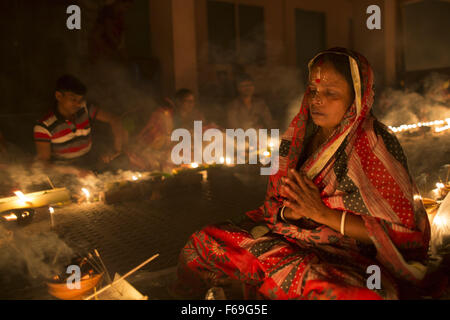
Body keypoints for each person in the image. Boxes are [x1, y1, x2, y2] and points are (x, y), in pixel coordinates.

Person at [171, 48, 431, 300]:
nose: (317, 100)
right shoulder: (298, 136)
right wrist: (289, 213)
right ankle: (251, 288)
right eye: (314, 90)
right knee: (203, 240)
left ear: (357, 97)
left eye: (330, 93)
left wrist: (322, 214)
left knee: (352, 295)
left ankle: (245, 288)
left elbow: (402, 232)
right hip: (288, 236)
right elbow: (273, 205)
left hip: (344, 254)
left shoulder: (374, 143)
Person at [33, 74, 128, 176]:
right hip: (64, 172)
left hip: (90, 163)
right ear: (58, 96)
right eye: (73, 99)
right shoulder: (44, 126)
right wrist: (75, 171)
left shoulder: (85, 109)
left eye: (80, 100)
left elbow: (115, 120)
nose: (78, 104)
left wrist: (116, 150)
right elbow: (43, 164)